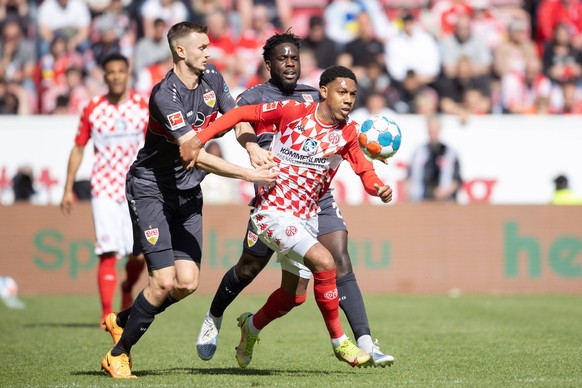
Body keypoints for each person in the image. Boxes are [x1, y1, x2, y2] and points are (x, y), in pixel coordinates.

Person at [195, 31, 394, 368]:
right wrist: (226, 143)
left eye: (352, 95)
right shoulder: (280, 105)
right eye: (282, 58)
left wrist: (377, 185)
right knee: (252, 268)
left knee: (295, 295)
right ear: (268, 63)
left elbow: (363, 167)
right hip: (272, 202)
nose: (290, 63)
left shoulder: (340, 124)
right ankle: (215, 318)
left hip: (314, 204)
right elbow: (239, 120)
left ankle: (252, 327)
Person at [99, 22, 278, 379]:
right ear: (181, 51)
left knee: (187, 282)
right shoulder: (165, 95)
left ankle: (122, 321)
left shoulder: (212, 76)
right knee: (163, 281)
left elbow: (237, 117)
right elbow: (192, 152)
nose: (208, 53)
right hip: (151, 188)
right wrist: (248, 174)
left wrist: (252, 145)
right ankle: (118, 355)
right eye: (202, 47)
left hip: (187, 191)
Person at [60, 53, 148, 329]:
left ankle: (126, 287)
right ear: (105, 76)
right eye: (111, 72)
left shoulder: (142, 106)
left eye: (121, 71)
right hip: (105, 188)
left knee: (141, 253)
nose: (116, 76)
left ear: (127, 73)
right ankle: (107, 314)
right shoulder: (94, 108)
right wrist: (67, 188)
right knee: (107, 252)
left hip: (137, 187)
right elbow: (78, 147)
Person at [406, 115, 462, 202]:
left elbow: (457, 180)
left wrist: (443, 192)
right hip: (420, 201)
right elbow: (408, 178)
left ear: (440, 129)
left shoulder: (450, 153)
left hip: (444, 201)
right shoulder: (418, 152)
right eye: (431, 130)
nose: (433, 133)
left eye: (435, 130)